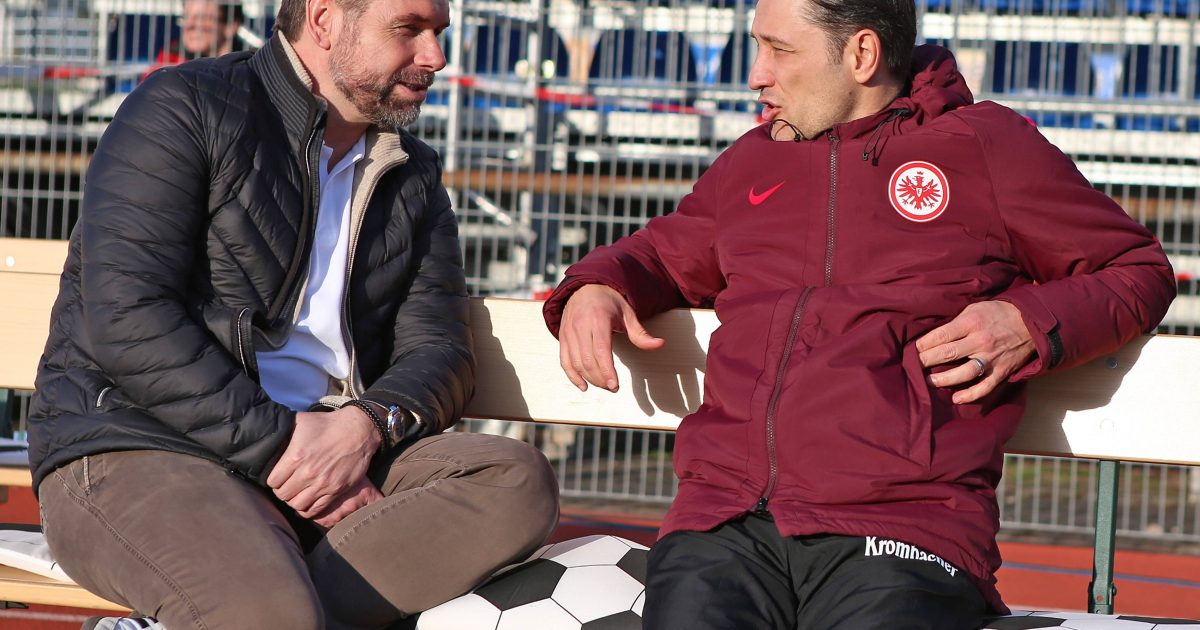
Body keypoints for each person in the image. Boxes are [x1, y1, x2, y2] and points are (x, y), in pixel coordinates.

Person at [542, 0, 1176, 627]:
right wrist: (597, 285)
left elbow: (1138, 269)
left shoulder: (984, 145)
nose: (756, 74)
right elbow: (659, 255)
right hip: (723, 518)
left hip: (904, 527)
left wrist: (1028, 321)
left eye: (779, 49)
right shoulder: (752, 161)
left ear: (862, 54)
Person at [28, 0, 559, 627]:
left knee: (514, 481)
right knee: (266, 611)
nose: (434, 57)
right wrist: (284, 447)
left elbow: (440, 353)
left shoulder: (410, 173)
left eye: (438, 33)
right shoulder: (184, 107)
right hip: (143, 445)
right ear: (326, 19)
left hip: (336, 448)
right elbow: (126, 318)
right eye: (408, 29)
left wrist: (363, 429)